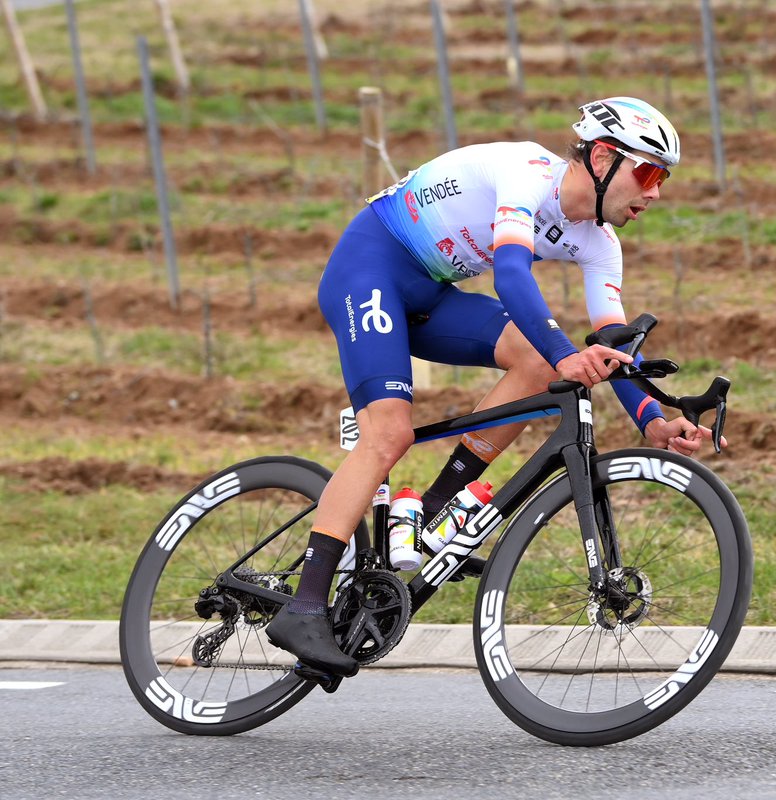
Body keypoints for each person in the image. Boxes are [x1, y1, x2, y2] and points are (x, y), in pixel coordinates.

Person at [266, 96, 725, 678]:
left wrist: (652, 417)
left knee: (535, 362)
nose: (655, 193)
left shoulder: (601, 244)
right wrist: (567, 355)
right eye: (649, 173)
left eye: (663, 179)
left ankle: (434, 513)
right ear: (602, 158)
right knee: (389, 434)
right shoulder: (526, 175)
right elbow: (510, 275)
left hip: (430, 293)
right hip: (370, 268)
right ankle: (305, 604)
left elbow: (615, 342)